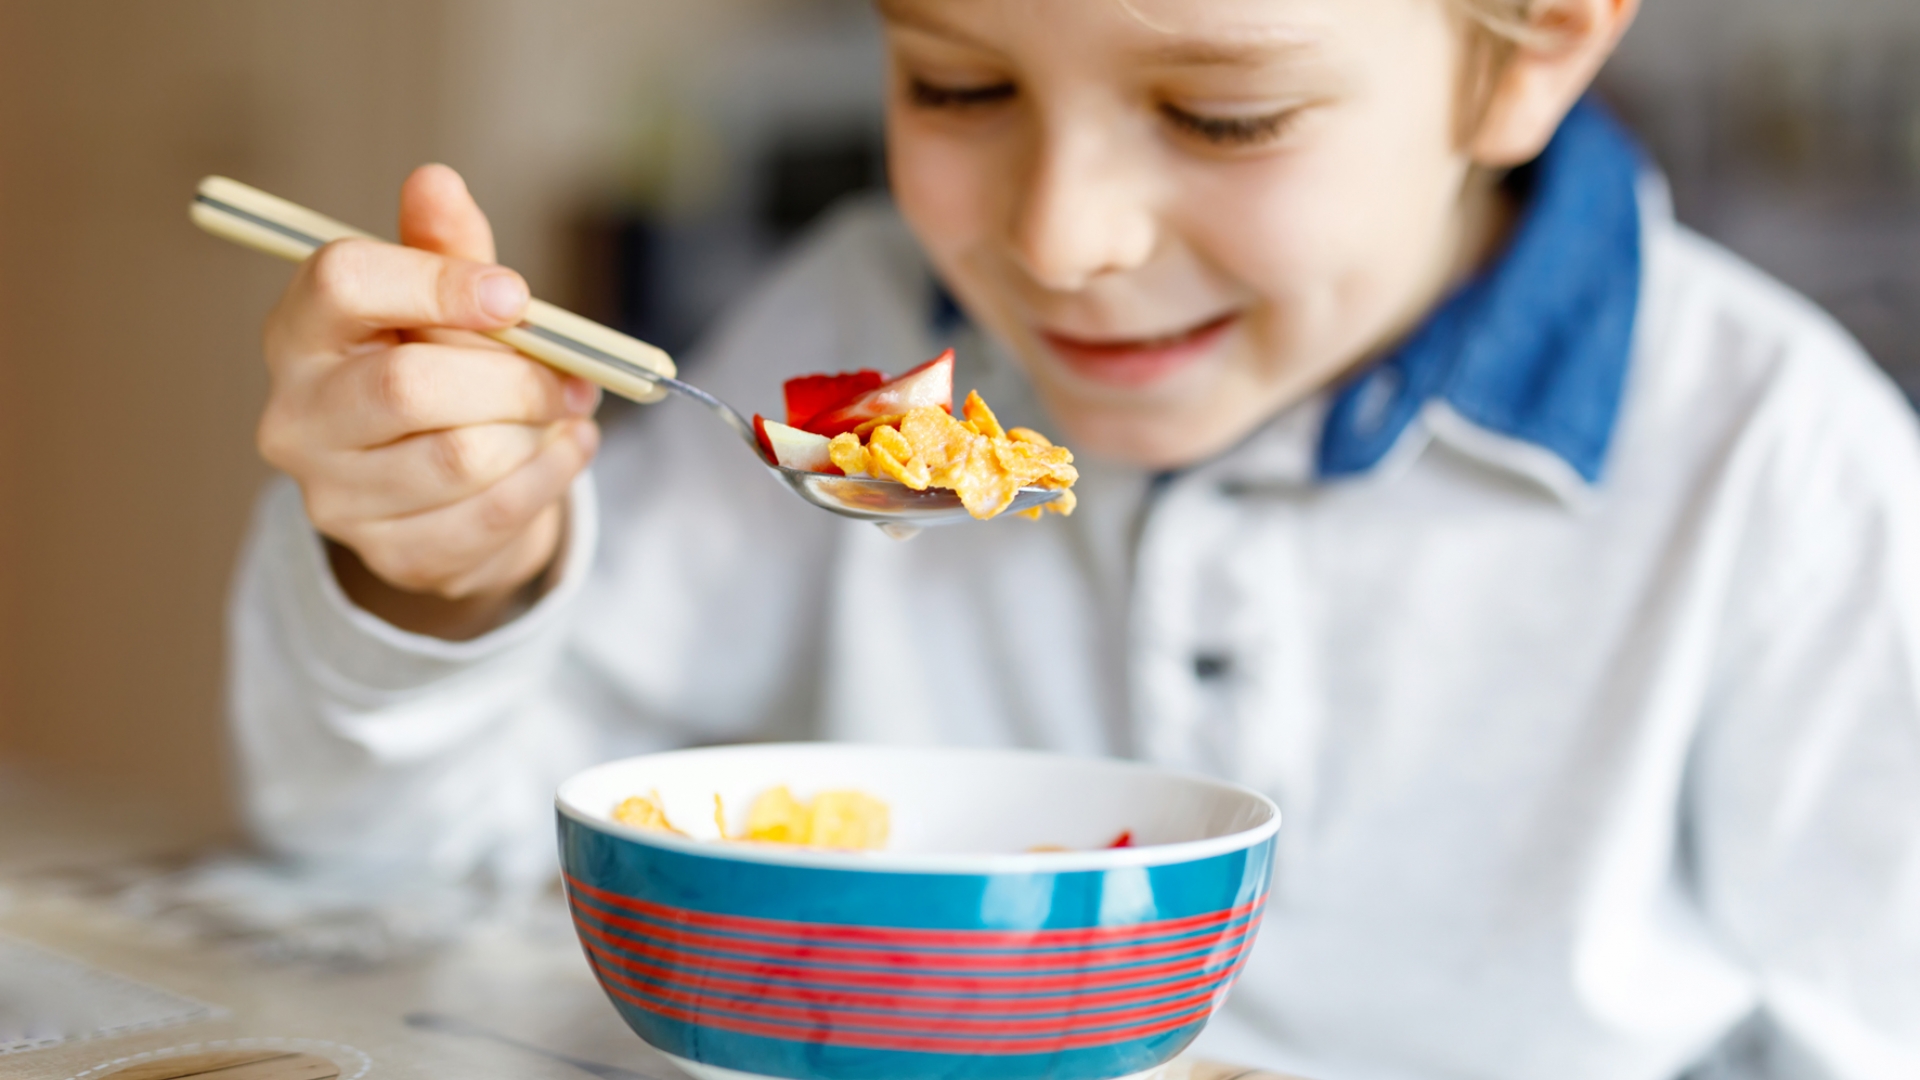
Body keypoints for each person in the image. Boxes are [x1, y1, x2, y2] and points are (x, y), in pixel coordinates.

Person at [226, 0, 1920, 1076]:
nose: (1060, 240)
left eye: (1223, 116)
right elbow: (391, 866)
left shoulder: (1777, 473)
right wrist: (439, 578)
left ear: (1535, 41)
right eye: (957, 83)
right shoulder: (868, 338)